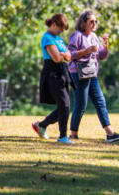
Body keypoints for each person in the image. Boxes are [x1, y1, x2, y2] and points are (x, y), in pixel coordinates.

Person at [67, 10, 119, 143]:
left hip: (92, 73)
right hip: (78, 73)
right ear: (83, 23)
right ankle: (73, 134)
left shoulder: (94, 36)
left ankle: (110, 134)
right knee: (81, 104)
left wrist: (106, 45)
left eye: (95, 21)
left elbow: (102, 56)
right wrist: (87, 51)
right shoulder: (77, 35)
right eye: (91, 21)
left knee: (100, 102)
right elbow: (70, 54)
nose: (94, 24)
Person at [32, 14, 75, 144]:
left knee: (64, 106)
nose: (61, 31)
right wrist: (63, 54)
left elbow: (69, 56)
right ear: (54, 24)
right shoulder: (47, 38)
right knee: (65, 105)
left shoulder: (59, 39)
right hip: (52, 73)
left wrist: (63, 54)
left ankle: (42, 125)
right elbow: (56, 58)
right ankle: (62, 137)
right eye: (60, 28)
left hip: (62, 73)